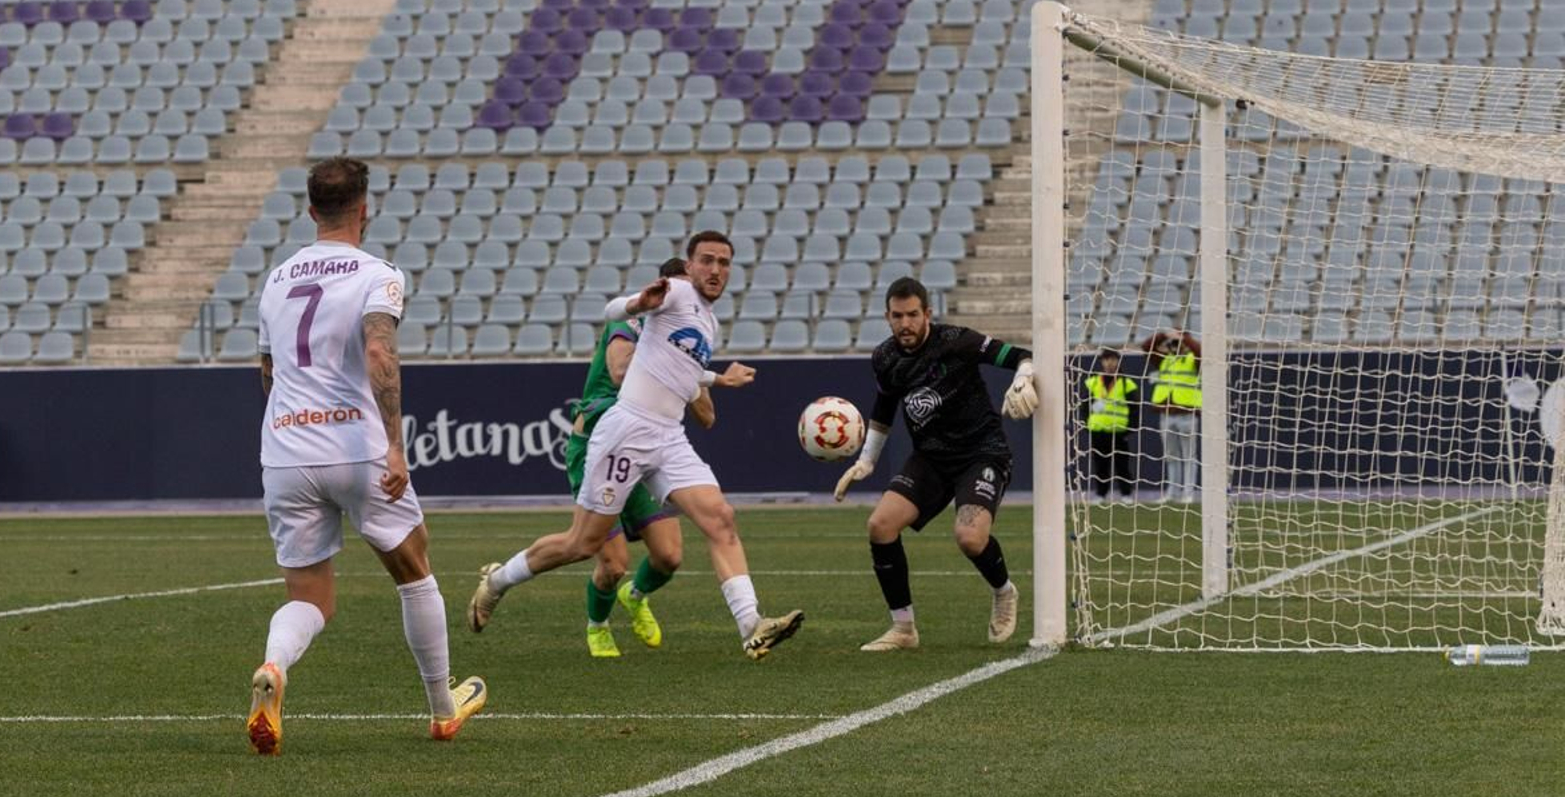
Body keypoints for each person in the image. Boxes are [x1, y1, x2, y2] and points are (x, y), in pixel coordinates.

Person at [246, 157, 485, 756]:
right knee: (414, 569)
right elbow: (380, 352)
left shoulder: (276, 281)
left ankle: (273, 668)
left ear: (309, 212)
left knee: (309, 597)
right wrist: (397, 446)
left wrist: (294, 424)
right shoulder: (379, 274)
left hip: (285, 451)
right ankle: (441, 708)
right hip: (355, 449)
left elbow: (269, 370)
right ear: (364, 210)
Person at [476, 231, 804, 660]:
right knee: (582, 544)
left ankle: (751, 625)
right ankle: (497, 583)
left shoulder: (708, 321)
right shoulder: (676, 292)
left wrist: (719, 378)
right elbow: (612, 311)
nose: (716, 270)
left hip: (668, 436)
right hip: (628, 430)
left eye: (724, 263)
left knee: (720, 518)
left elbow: (678, 366)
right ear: (689, 266)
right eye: (707, 260)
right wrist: (637, 304)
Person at [468, 258, 711, 658]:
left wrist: (694, 375)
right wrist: (670, 367)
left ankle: (635, 597)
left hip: (647, 449)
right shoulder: (633, 324)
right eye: (681, 291)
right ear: (666, 287)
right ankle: (588, 621)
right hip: (601, 442)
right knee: (604, 559)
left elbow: (708, 417)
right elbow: (618, 372)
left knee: (669, 555)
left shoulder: (688, 343)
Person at [832, 277, 1040, 652]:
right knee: (880, 526)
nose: (905, 324)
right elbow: (884, 408)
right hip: (930, 457)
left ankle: (1004, 591)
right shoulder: (885, 357)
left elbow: (1021, 354)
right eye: (898, 316)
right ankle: (904, 629)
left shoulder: (956, 340)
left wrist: (1024, 376)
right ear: (887, 317)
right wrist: (866, 460)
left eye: (913, 315)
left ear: (927, 313)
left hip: (982, 452)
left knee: (969, 537)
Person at [1141, 328, 1202, 503]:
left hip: (1187, 414)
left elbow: (1199, 351)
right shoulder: (1165, 360)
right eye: (1173, 343)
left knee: (1189, 456)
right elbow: (1146, 347)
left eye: (1178, 343)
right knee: (1171, 456)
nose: (1175, 346)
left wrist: (1184, 337)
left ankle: (1188, 493)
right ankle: (1172, 492)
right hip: (1166, 414)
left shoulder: (1193, 359)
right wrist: (1163, 335)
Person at [1085, 347, 1139, 504]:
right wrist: (1086, 424)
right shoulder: (1093, 381)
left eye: (1113, 359)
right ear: (1102, 362)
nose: (1110, 363)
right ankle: (1101, 494)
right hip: (1098, 429)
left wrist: (1131, 428)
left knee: (1122, 464)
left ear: (1118, 362)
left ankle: (1126, 494)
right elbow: (1084, 405)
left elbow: (1134, 408)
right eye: (1106, 359)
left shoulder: (1126, 383)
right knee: (1101, 465)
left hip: (1119, 430)